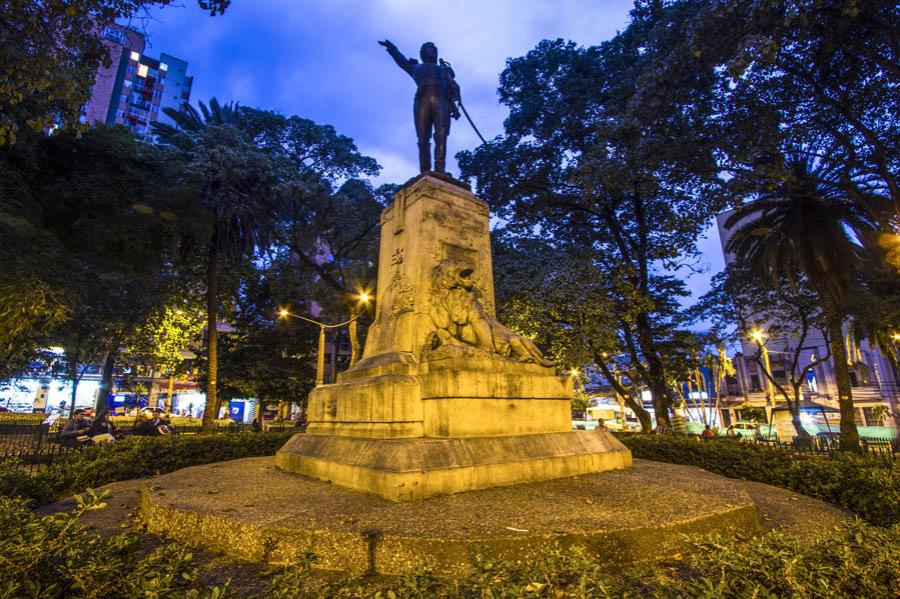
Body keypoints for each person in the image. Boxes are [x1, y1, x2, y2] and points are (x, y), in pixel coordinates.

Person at [378, 39, 460, 173]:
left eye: (434, 48)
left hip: (442, 101)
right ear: (422, 53)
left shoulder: (444, 69)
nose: (433, 50)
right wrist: (392, 48)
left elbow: (453, 86)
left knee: (441, 134)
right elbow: (402, 61)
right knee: (423, 137)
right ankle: (425, 169)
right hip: (422, 99)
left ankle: (440, 169)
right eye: (429, 48)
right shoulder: (416, 67)